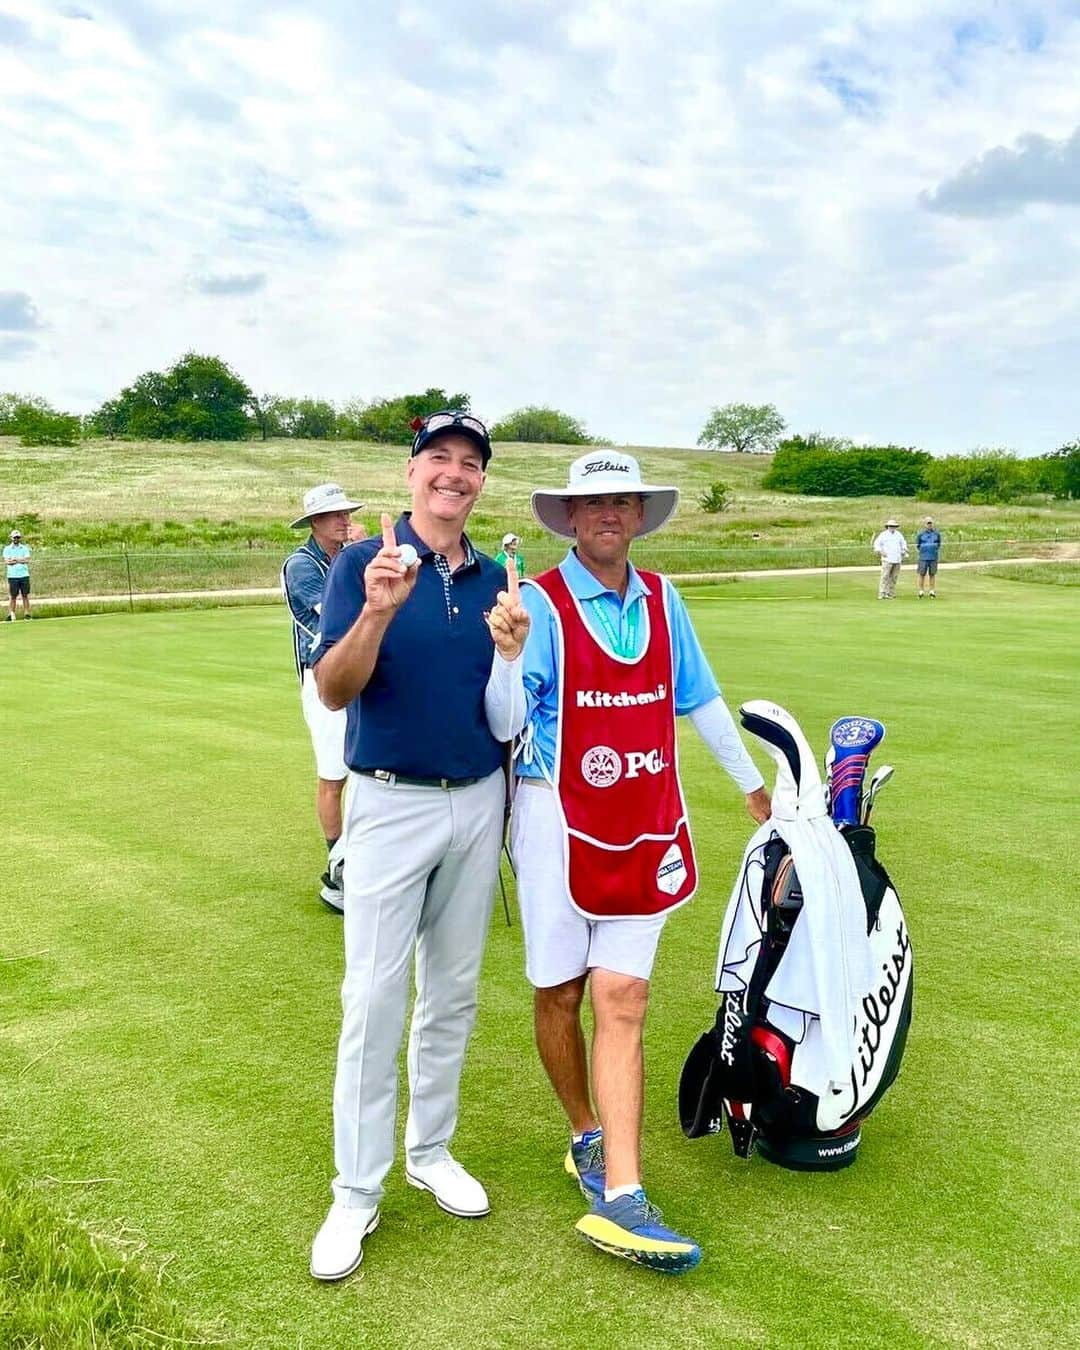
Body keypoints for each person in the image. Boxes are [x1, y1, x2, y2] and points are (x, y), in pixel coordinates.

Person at [511, 450, 771, 1274]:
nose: (609, 514)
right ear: (571, 519)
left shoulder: (664, 596)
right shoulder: (541, 603)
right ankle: (583, 1132)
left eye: (622, 501)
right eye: (593, 504)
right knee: (560, 993)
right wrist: (506, 654)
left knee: (621, 997)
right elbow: (510, 714)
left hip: (645, 813)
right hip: (554, 814)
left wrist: (752, 786)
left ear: (638, 514)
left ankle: (623, 1195)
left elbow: (698, 697)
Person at [308, 409, 529, 1282]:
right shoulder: (365, 563)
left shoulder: (496, 580)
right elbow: (333, 690)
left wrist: (510, 656)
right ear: (410, 474)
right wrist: (373, 615)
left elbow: (506, 720)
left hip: (477, 801)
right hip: (390, 802)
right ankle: (356, 1192)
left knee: (455, 993)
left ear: (480, 483)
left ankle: (429, 1150)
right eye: (438, 458)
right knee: (373, 998)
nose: (454, 473)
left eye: (469, 463)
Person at [281, 483, 364, 911]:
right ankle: (338, 867)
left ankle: (358, 861)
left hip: (362, 678)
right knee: (334, 775)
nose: (344, 520)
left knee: (367, 769)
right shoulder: (301, 565)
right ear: (315, 522)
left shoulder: (347, 557)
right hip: (322, 680)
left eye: (346, 513)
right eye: (335, 515)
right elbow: (330, 617)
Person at [872, 518, 908, 599]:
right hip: (887, 559)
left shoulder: (899, 534)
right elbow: (876, 544)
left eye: (894, 526)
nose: (892, 527)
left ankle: (890, 593)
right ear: (887, 526)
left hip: (897, 559)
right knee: (885, 576)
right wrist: (881, 551)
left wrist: (904, 550)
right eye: (891, 526)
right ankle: (882, 593)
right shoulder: (883, 535)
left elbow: (903, 543)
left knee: (894, 577)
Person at [4, 529, 32, 620]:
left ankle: (27, 614)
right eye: (15, 537)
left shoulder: (24, 548)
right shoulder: (7, 549)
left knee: (25, 595)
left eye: (18, 537)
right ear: (11, 538)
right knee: (13, 596)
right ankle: (11, 614)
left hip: (24, 575)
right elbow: (8, 562)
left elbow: (27, 560)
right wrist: (19, 560)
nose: (16, 539)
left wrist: (16, 560)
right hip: (12, 576)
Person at [915, 516, 941, 598]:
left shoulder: (936, 534)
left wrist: (934, 549)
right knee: (921, 574)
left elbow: (939, 544)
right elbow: (918, 545)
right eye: (928, 523)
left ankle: (932, 591)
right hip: (923, 557)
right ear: (925, 524)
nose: (929, 525)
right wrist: (923, 550)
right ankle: (921, 591)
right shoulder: (921, 534)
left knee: (932, 574)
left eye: (931, 523)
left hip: (933, 557)